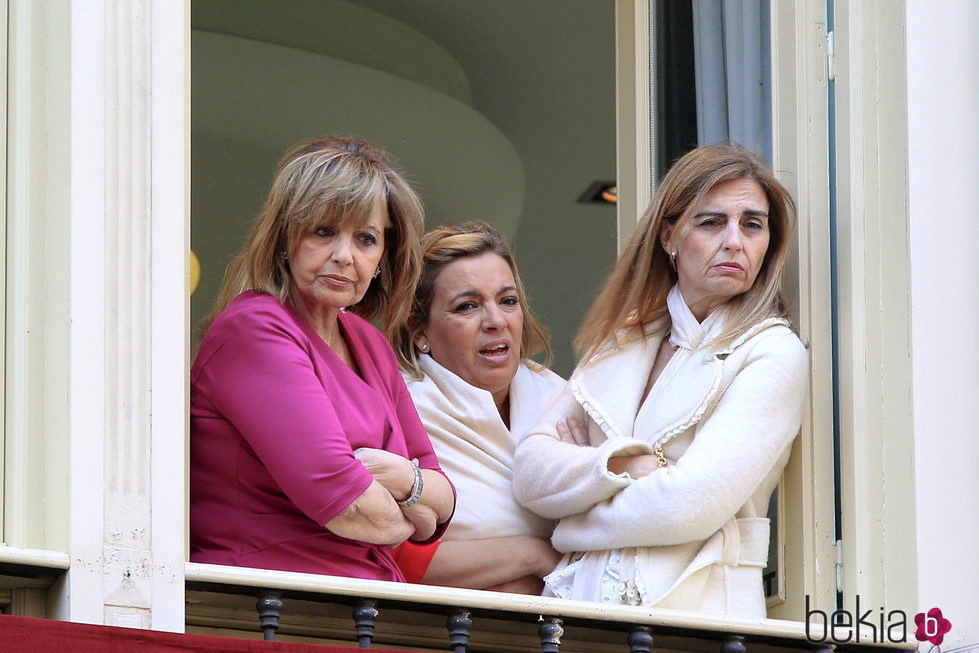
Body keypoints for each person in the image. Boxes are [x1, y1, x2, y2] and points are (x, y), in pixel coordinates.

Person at [512, 144, 808, 617]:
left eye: (752, 224)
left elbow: (687, 505)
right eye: (712, 222)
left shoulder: (772, 353)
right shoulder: (621, 341)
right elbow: (530, 473)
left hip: (696, 615)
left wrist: (568, 518)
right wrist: (620, 466)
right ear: (669, 235)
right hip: (575, 610)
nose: (735, 240)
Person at [190, 136, 455, 582]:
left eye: (366, 239)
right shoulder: (255, 327)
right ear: (284, 237)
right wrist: (413, 508)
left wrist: (402, 483)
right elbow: (351, 508)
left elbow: (444, 498)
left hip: (369, 604)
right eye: (324, 231)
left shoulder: (368, 341)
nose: (344, 256)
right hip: (269, 604)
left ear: (382, 259)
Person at [389, 222, 564, 593]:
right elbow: (388, 560)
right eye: (467, 306)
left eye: (508, 301)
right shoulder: (395, 413)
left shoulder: (565, 400)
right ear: (419, 330)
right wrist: (533, 555)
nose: (496, 321)